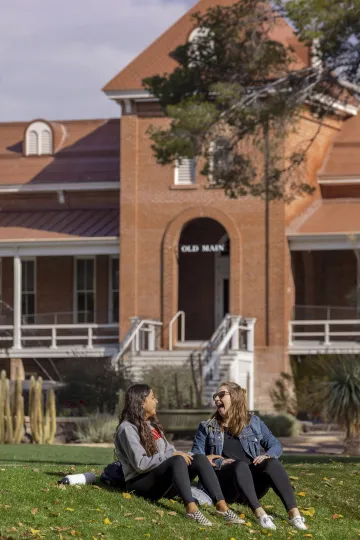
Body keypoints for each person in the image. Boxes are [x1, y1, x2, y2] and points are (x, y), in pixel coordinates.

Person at [115, 383, 244, 526]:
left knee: (199, 458)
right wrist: (170, 457)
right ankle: (192, 510)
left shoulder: (151, 426)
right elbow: (141, 464)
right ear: (142, 401)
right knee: (176, 460)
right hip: (139, 484)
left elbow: (170, 451)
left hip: (160, 481)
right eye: (153, 398)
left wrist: (196, 457)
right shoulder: (127, 429)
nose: (156, 401)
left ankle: (222, 507)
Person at [192, 381, 307, 531]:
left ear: (235, 397)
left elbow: (275, 445)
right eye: (215, 396)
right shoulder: (207, 427)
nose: (216, 399)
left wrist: (268, 456)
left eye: (221, 395)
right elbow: (196, 457)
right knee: (239, 465)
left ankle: (294, 515)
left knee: (272, 463)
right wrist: (219, 462)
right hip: (225, 485)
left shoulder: (253, 422)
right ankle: (260, 514)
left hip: (251, 486)